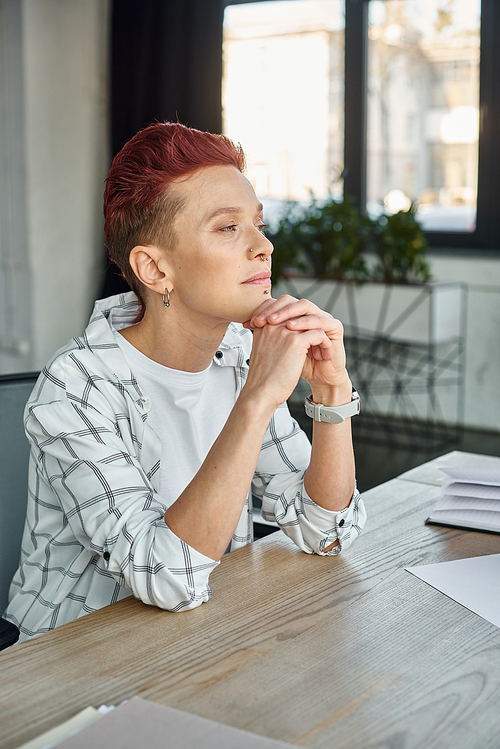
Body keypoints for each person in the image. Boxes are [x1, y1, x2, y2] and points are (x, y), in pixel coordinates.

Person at [4, 122, 366, 642]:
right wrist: (258, 400)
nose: (263, 246)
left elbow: (327, 530)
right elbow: (165, 576)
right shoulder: (75, 388)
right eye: (227, 228)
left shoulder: (241, 351)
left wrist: (332, 395)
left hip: (199, 637)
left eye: (258, 224)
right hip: (72, 661)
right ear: (153, 268)